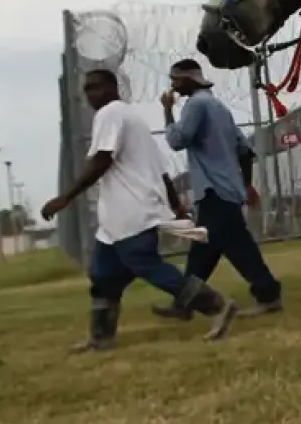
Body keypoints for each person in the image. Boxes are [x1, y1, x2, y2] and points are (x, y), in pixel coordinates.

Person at [41, 68, 237, 353]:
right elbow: (162, 171)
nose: (91, 95)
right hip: (117, 220)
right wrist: (176, 205)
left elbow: (101, 161)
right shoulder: (134, 119)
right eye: (87, 90)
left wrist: (65, 198)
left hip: (131, 212)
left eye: (96, 87)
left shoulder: (110, 114)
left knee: (147, 265)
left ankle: (217, 306)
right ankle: (101, 337)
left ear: (112, 88)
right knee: (102, 274)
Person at [161, 59, 283, 317]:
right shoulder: (219, 107)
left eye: (174, 80)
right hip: (226, 189)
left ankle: (268, 294)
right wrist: (246, 184)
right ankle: (183, 304)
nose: (173, 86)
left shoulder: (195, 105)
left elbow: (176, 140)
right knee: (203, 250)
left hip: (213, 189)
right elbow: (244, 150)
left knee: (238, 247)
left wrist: (167, 111)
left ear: (186, 79)